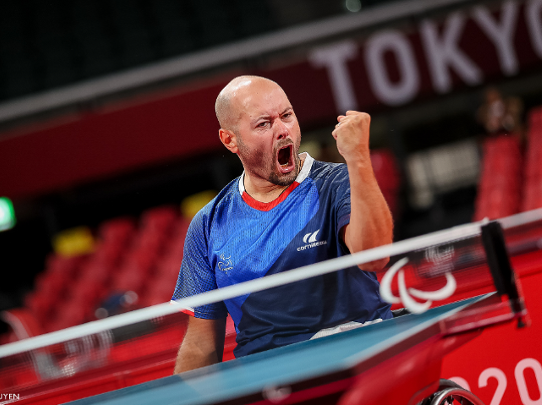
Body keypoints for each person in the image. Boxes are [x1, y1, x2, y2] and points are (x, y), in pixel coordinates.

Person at [172, 75, 393, 374]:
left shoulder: (337, 183)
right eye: (264, 124)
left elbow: (375, 257)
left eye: (287, 115)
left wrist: (358, 159)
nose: (283, 130)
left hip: (354, 363)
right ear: (230, 140)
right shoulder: (208, 224)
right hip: (267, 379)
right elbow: (202, 345)